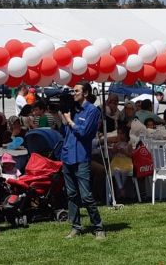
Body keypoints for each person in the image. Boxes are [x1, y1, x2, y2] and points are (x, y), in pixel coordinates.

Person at [61, 82, 104, 239]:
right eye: (73, 91)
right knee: (71, 194)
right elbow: (65, 132)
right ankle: (75, 227)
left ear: (85, 93)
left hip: (81, 156)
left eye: (77, 91)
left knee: (86, 195)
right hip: (67, 155)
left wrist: (71, 122)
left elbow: (85, 133)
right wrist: (65, 120)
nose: (74, 93)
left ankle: (98, 227)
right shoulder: (72, 109)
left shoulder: (92, 111)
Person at [109, 125, 134, 199]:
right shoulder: (116, 144)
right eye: (118, 133)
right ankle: (121, 189)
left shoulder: (128, 145)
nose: (120, 135)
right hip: (117, 161)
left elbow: (131, 155)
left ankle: (121, 189)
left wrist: (124, 152)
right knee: (116, 170)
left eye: (122, 133)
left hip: (126, 162)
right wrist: (115, 150)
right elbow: (113, 153)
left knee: (125, 171)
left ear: (126, 134)